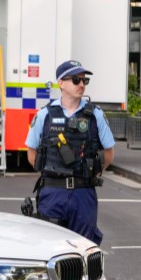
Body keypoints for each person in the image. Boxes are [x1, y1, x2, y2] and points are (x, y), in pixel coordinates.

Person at [25, 60, 115, 245]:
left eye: (84, 80)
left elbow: (109, 152)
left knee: (84, 248)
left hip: (83, 193)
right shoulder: (45, 115)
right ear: (61, 83)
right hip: (52, 193)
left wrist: (94, 173)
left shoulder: (95, 115)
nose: (81, 84)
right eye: (76, 80)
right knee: (49, 247)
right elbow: (31, 152)